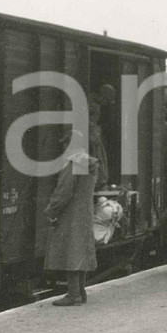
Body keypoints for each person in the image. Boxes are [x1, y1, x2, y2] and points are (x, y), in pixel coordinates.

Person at [45, 129, 99, 306]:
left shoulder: (73, 163)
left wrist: (52, 211)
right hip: (85, 212)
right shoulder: (90, 163)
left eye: (64, 143)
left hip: (71, 213)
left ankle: (73, 294)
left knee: (71, 253)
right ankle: (81, 292)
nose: (63, 146)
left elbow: (63, 191)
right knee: (80, 251)